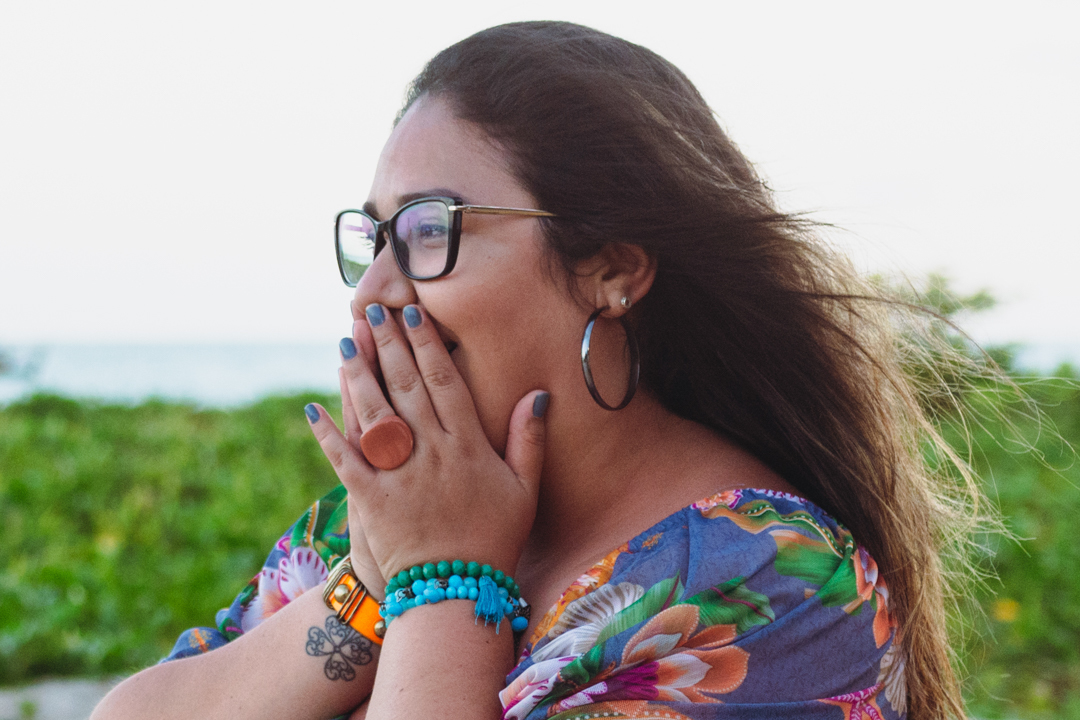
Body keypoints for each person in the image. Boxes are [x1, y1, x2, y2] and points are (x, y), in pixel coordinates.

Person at [92, 21, 985, 720]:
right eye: (373, 238)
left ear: (613, 268)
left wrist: (444, 579)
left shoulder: (776, 583)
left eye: (430, 231)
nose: (372, 291)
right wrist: (370, 582)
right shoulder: (380, 518)